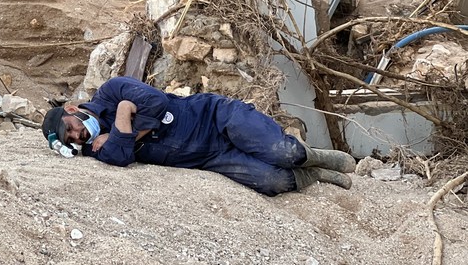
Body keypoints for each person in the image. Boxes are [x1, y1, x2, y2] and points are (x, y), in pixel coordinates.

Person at [42, 76, 356, 196]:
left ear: (72, 109)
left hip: (215, 117)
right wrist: (128, 118)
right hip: (210, 157)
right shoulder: (95, 148)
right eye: (71, 140)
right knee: (274, 182)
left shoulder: (113, 91)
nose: (78, 135)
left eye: (71, 127)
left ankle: (314, 156)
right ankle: (316, 174)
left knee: (282, 152)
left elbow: (157, 102)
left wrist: (122, 119)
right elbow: (120, 157)